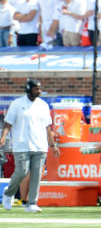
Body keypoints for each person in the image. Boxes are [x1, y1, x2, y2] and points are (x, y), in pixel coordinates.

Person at [0, 78, 58, 212]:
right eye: (36, 89)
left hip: (40, 145)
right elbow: (8, 123)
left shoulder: (43, 105)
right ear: (28, 89)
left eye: (40, 88)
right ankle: (9, 193)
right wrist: (3, 137)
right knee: (22, 171)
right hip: (21, 145)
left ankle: (32, 203)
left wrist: (53, 145)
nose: (39, 91)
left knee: (37, 174)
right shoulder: (17, 104)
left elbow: (47, 128)